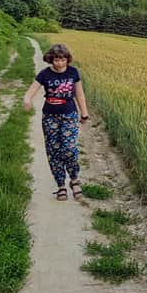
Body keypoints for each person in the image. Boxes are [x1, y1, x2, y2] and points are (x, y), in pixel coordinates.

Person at [23, 43, 90, 201]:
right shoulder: (44, 74)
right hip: (50, 117)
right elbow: (31, 91)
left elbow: (79, 94)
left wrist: (84, 113)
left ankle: (74, 179)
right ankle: (61, 185)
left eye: (63, 60)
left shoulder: (73, 72)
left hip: (69, 115)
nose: (59, 63)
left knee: (69, 148)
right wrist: (26, 100)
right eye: (56, 60)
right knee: (53, 151)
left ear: (67, 59)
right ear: (50, 59)